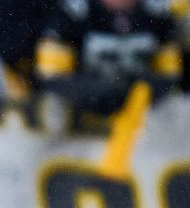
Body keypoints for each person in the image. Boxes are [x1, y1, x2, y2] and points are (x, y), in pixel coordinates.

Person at [36, 0, 182, 119]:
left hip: (145, 118)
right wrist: (92, 91)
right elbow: (51, 78)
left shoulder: (158, 13)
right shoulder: (73, 13)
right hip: (83, 123)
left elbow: (170, 76)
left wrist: (142, 89)